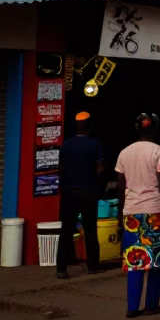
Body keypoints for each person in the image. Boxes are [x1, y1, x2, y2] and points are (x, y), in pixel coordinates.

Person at [115, 113, 160, 318]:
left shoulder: (124, 153)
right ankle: (151, 304)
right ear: (156, 129)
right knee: (157, 260)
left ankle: (133, 308)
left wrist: (120, 215)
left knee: (135, 260)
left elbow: (121, 186)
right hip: (154, 212)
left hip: (131, 213)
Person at [56, 111, 105, 279]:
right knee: (90, 229)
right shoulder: (95, 144)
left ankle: (61, 269)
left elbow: (60, 170)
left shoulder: (66, 145)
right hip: (89, 191)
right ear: (89, 127)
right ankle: (93, 266)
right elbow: (99, 169)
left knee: (67, 230)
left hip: (69, 192)